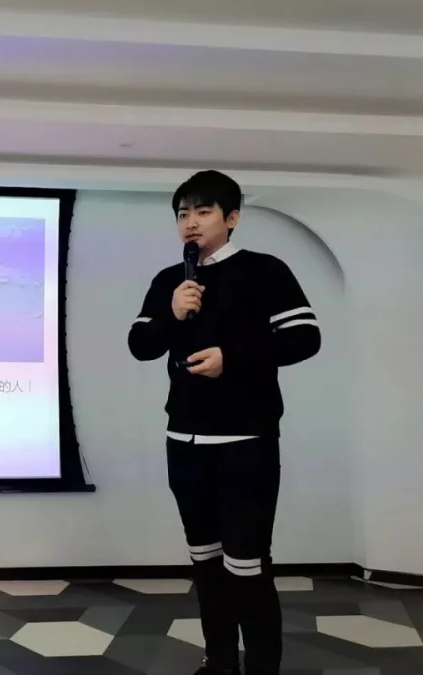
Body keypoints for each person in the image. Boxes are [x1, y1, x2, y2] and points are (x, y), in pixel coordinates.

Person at [127, 170, 321, 675]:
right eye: (182, 213)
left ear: (232, 218)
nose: (190, 222)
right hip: (183, 442)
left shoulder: (265, 271)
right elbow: (140, 345)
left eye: (203, 211)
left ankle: (261, 667)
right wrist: (171, 314)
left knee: (247, 565)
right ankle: (218, 662)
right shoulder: (169, 281)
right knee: (206, 562)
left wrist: (230, 357)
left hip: (244, 443)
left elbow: (305, 337)